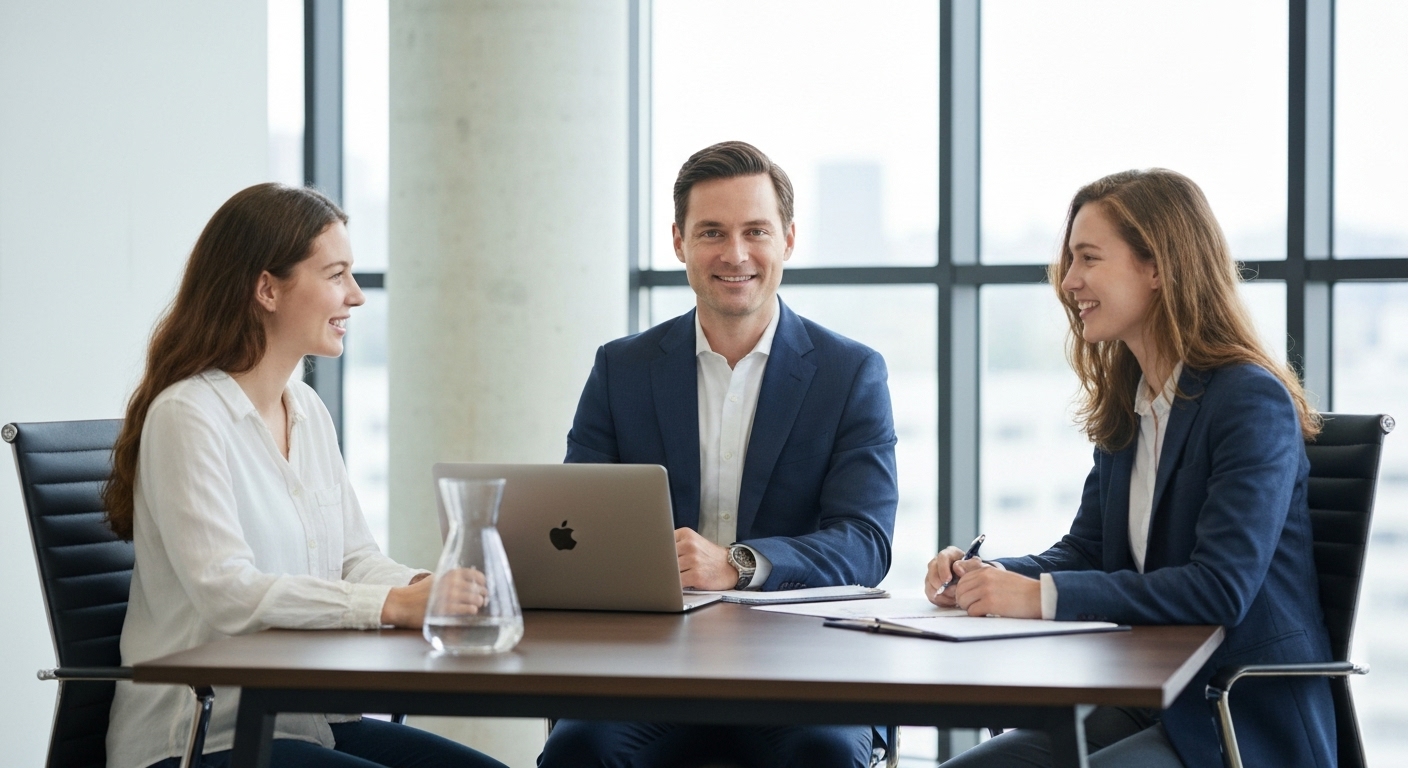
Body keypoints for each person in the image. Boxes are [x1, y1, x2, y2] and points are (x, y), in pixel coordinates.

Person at [926, 169, 1336, 768]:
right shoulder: (1136, 400)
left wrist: (1037, 597)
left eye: (1088, 258)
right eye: (1070, 260)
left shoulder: (1249, 401)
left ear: (1158, 268)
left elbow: (1219, 589)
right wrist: (986, 575)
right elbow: (1088, 550)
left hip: (1232, 715)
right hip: (1147, 697)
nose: (1069, 282)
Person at [103, 183, 507, 768]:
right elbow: (227, 593)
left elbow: (353, 558)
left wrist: (434, 587)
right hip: (202, 739)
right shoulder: (188, 416)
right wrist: (394, 604)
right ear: (267, 288)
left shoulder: (307, 410)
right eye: (336, 274)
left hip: (307, 723)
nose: (357, 296)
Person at [537, 141, 898, 768]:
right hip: (649, 664)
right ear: (678, 242)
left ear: (788, 238)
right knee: (579, 752)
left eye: (755, 231)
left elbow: (866, 542)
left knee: (824, 756)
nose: (735, 254)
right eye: (712, 232)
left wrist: (739, 563)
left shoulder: (850, 372)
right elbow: (577, 526)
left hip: (803, 665)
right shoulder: (622, 369)